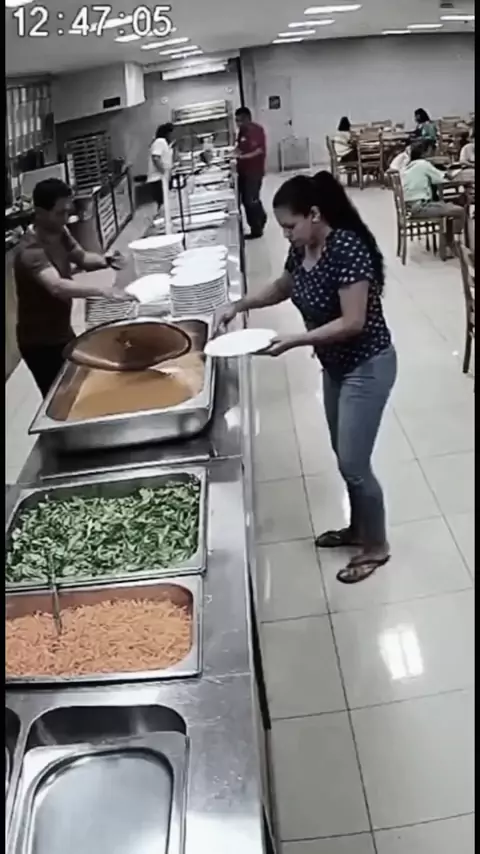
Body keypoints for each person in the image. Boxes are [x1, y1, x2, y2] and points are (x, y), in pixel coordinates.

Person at [217, 171, 397, 583]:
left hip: (367, 364)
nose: (286, 234)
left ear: (314, 214)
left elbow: (352, 322)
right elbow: (284, 286)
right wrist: (239, 305)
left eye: (290, 226)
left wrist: (296, 340)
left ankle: (377, 546)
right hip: (336, 366)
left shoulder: (346, 248)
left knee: (354, 462)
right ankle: (358, 529)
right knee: (344, 455)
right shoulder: (302, 249)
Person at [14, 178, 128, 398]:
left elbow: (82, 257)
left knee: (77, 383)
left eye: (68, 211)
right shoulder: (30, 251)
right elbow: (56, 286)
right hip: (39, 342)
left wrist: (107, 260)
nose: (66, 217)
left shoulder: (60, 231)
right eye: (60, 212)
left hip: (61, 330)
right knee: (59, 395)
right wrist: (102, 291)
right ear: (40, 212)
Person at [401, 142, 465, 252]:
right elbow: (441, 179)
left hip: (410, 207)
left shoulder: (409, 165)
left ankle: (449, 241)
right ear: (424, 153)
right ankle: (455, 243)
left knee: (449, 206)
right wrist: (453, 173)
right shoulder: (423, 164)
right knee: (459, 211)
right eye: (431, 151)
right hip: (420, 207)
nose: (433, 154)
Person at [235, 106, 267, 240]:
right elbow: (239, 147)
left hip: (254, 170)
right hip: (243, 170)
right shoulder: (242, 131)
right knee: (246, 199)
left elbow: (259, 150)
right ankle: (261, 218)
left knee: (250, 200)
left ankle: (256, 229)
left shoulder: (256, 130)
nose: (238, 123)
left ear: (248, 118)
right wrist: (232, 154)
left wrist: (243, 157)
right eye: (237, 121)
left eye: (240, 120)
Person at [147, 123, 174, 212]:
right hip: (158, 179)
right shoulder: (160, 142)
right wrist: (163, 172)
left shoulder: (165, 143)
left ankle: (162, 216)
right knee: (163, 203)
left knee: (164, 203)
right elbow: (156, 158)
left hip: (161, 178)